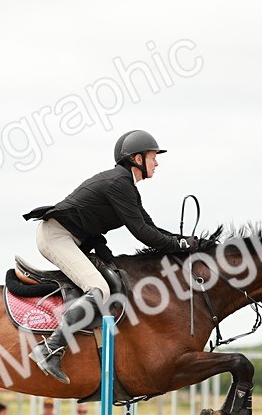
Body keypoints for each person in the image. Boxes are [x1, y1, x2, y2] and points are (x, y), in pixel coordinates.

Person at [22, 130, 200, 383]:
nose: (157, 162)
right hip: (57, 236)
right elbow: (142, 234)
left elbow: (150, 227)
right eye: (153, 157)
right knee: (98, 289)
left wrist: (186, 242)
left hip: (73, 237)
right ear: (137, 159)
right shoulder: (120, 184)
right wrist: (180, 244)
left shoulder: (126, 186)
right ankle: (50, 349)